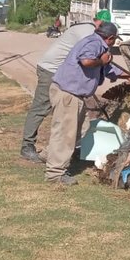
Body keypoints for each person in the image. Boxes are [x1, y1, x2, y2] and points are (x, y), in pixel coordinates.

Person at [45, 22, 130, 185]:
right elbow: (86, 61)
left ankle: (59, 166)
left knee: (72, 134)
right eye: (114, 39)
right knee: (64, 134)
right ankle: (55, 174)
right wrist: (102, 61)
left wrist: (128, 76)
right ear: (110, 38)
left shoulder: (99, 46)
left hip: (73, 95)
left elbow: (109, 70)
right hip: (68, 94)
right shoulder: (94, 43)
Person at [20, 9, 112, 162]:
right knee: (42, 108)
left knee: (72, 112)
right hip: (51, 69)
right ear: (100, 23)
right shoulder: (88, 32)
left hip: (62, 73)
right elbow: (92, 60)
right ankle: (27, 146)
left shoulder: (89, 30)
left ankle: (71, 147)